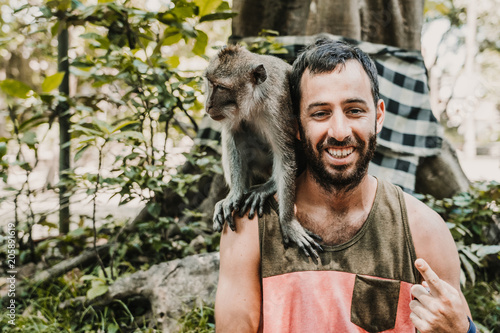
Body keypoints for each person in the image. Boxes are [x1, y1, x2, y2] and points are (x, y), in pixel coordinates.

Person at [214, 39, 474, 333]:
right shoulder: (248, 229)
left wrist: (463, 331)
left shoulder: (423, 231)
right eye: (320, 113)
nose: (339, 132)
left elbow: (456, 323)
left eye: (354, 111)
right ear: (295, 126)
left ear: (378, 116)